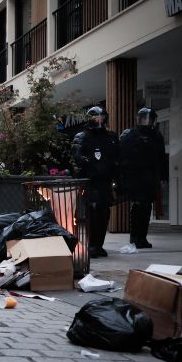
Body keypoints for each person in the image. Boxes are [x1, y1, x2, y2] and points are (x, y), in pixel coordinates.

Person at [72, 106, 120, 258]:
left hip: (105, 180)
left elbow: (117, 155)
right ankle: (91, 244)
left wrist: (116, 172)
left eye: (101, 117)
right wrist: (87, 162)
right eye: (95, 117)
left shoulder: (111, 136)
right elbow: (76, 155)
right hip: (90, 180)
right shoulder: (82, 136)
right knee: (92, 211)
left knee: (104, 212)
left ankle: (99, 245)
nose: (99, 120)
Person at [119, 107, 167, 249]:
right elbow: (123, 156)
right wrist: (124, 176)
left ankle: (142, 237)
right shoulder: (131, 135)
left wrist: (163, 177)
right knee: (138, 206)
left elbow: (161, 158)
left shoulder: (156, 136)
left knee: (146, 207)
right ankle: (135, 237)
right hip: (135, 177)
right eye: (145, 118)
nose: (147, 121)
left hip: (150, 177)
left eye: (150, 119)